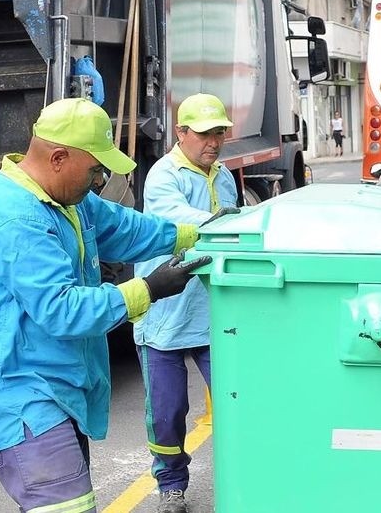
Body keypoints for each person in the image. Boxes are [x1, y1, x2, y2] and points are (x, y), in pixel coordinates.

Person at [0, 97, 214, 513]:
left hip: (51, 383)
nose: (100, 178)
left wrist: (198, 234)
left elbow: (124, 227)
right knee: (68, 506)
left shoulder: (66, 198)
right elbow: (62, 309)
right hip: (16, 391)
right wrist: (149, 289)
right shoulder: (16, 217)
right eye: (95, 168)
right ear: (57, 157)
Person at [133, 94, 240, 513]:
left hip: (214, 315)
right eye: (204, 133)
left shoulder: (223, 175)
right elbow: (184, 222)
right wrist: (234, 220)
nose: (213, 142)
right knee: (167, 413)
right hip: (165, 318)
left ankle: (245, 476)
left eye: (219, 133)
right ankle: (171, 486)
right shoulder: (164, 176)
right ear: (181, 133)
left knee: (238, 401)